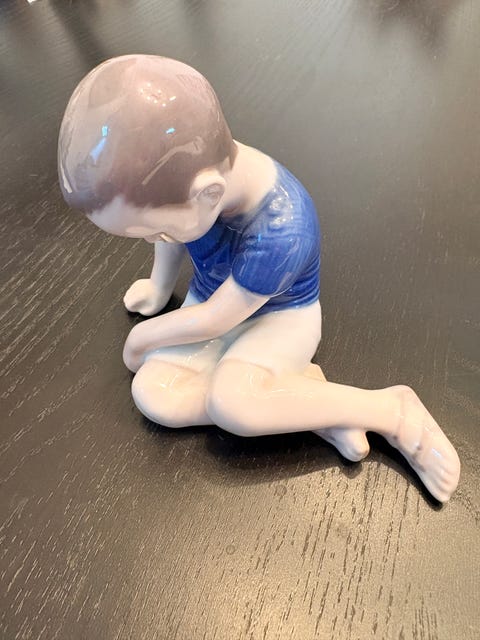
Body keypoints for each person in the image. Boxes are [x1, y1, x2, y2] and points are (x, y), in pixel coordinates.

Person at [58, 54, 460, 502]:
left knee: (232, 403)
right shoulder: (191, 179)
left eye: (156, 231)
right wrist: (159, 287)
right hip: (211, 303)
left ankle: (390, 411)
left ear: (208, 194)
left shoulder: (283, 226)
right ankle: (304, 403)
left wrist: (141, 338)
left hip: (280, 319)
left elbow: (216, 318)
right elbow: (173, 235)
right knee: (153, 394)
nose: (156, 239)